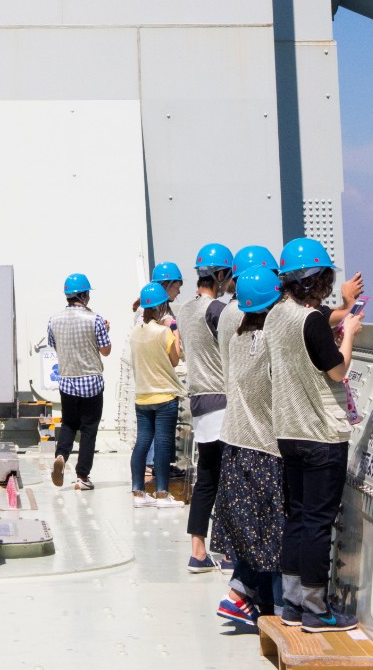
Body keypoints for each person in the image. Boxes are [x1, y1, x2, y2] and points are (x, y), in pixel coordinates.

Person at [267, 238, 365, 634]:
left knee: (297, 517)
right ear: (316, 279)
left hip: (288, 432)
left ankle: (292, 602)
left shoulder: (278, 315)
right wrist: (351, 331)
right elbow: (337, 370)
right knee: (318, 523)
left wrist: (343, 306)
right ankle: (316, 609)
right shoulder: (310, 320)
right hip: (321, 435)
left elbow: (316, 322)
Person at [211, 265, 286, 627]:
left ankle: (244, 597)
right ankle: (266, 607)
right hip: (265, 447)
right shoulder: (273, 341)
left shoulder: (234, 331)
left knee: (250, 530)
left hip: (235, 439)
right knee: (274, 531)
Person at [177, 241, 234, 573]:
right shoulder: (218, 311)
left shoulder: (184, 310)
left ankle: (197, 550)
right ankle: (228, 553)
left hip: (198, 400)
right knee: (229, 480)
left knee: (207, 478)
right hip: (223, 401)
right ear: (222, 274)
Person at [47, 273, 112, 492]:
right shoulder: (95, 319)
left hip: (67, 381)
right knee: (89, 429)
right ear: (84, 295)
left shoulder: (53, 320)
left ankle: (60, 456)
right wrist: (105, 331)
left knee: (68, 423)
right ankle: (82, 477)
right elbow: (106, 350)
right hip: (91, 382)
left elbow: (56, 347)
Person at [129, 282, 183, 507]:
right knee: (162, 444)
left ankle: (138, 492)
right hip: (165, 397)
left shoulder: (134, 332)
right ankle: (162, 493)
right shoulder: (163, 332)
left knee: (142, 443)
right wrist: (174, 328)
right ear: (160, 307)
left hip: (142, 396)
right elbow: (175, 358)